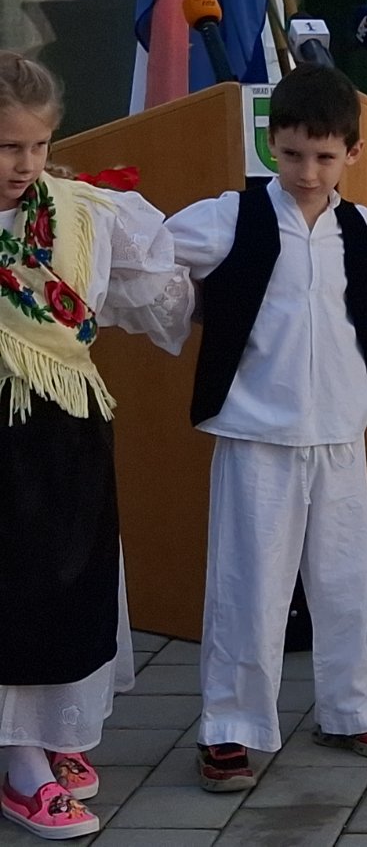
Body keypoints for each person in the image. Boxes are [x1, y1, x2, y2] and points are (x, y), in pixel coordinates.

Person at [166, 64, 367, 789]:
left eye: (323, 156)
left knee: (346, 580)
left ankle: (350, 705)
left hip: (341, 433)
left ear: (353, 154)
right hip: (256, 435)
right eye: (290, 154)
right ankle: (230, 725)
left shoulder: (363, 231)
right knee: (251, 587)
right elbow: (151, 255)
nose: (307, 171)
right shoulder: (230, 217)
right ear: (268, 146)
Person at [0, 51, 193, 840]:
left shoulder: (82, 214)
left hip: (65, 421)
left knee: (66, 576)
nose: (25, 163)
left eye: (39, 145)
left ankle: (47, 728)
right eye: (7, 146)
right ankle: (19, 764)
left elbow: (161, 293)